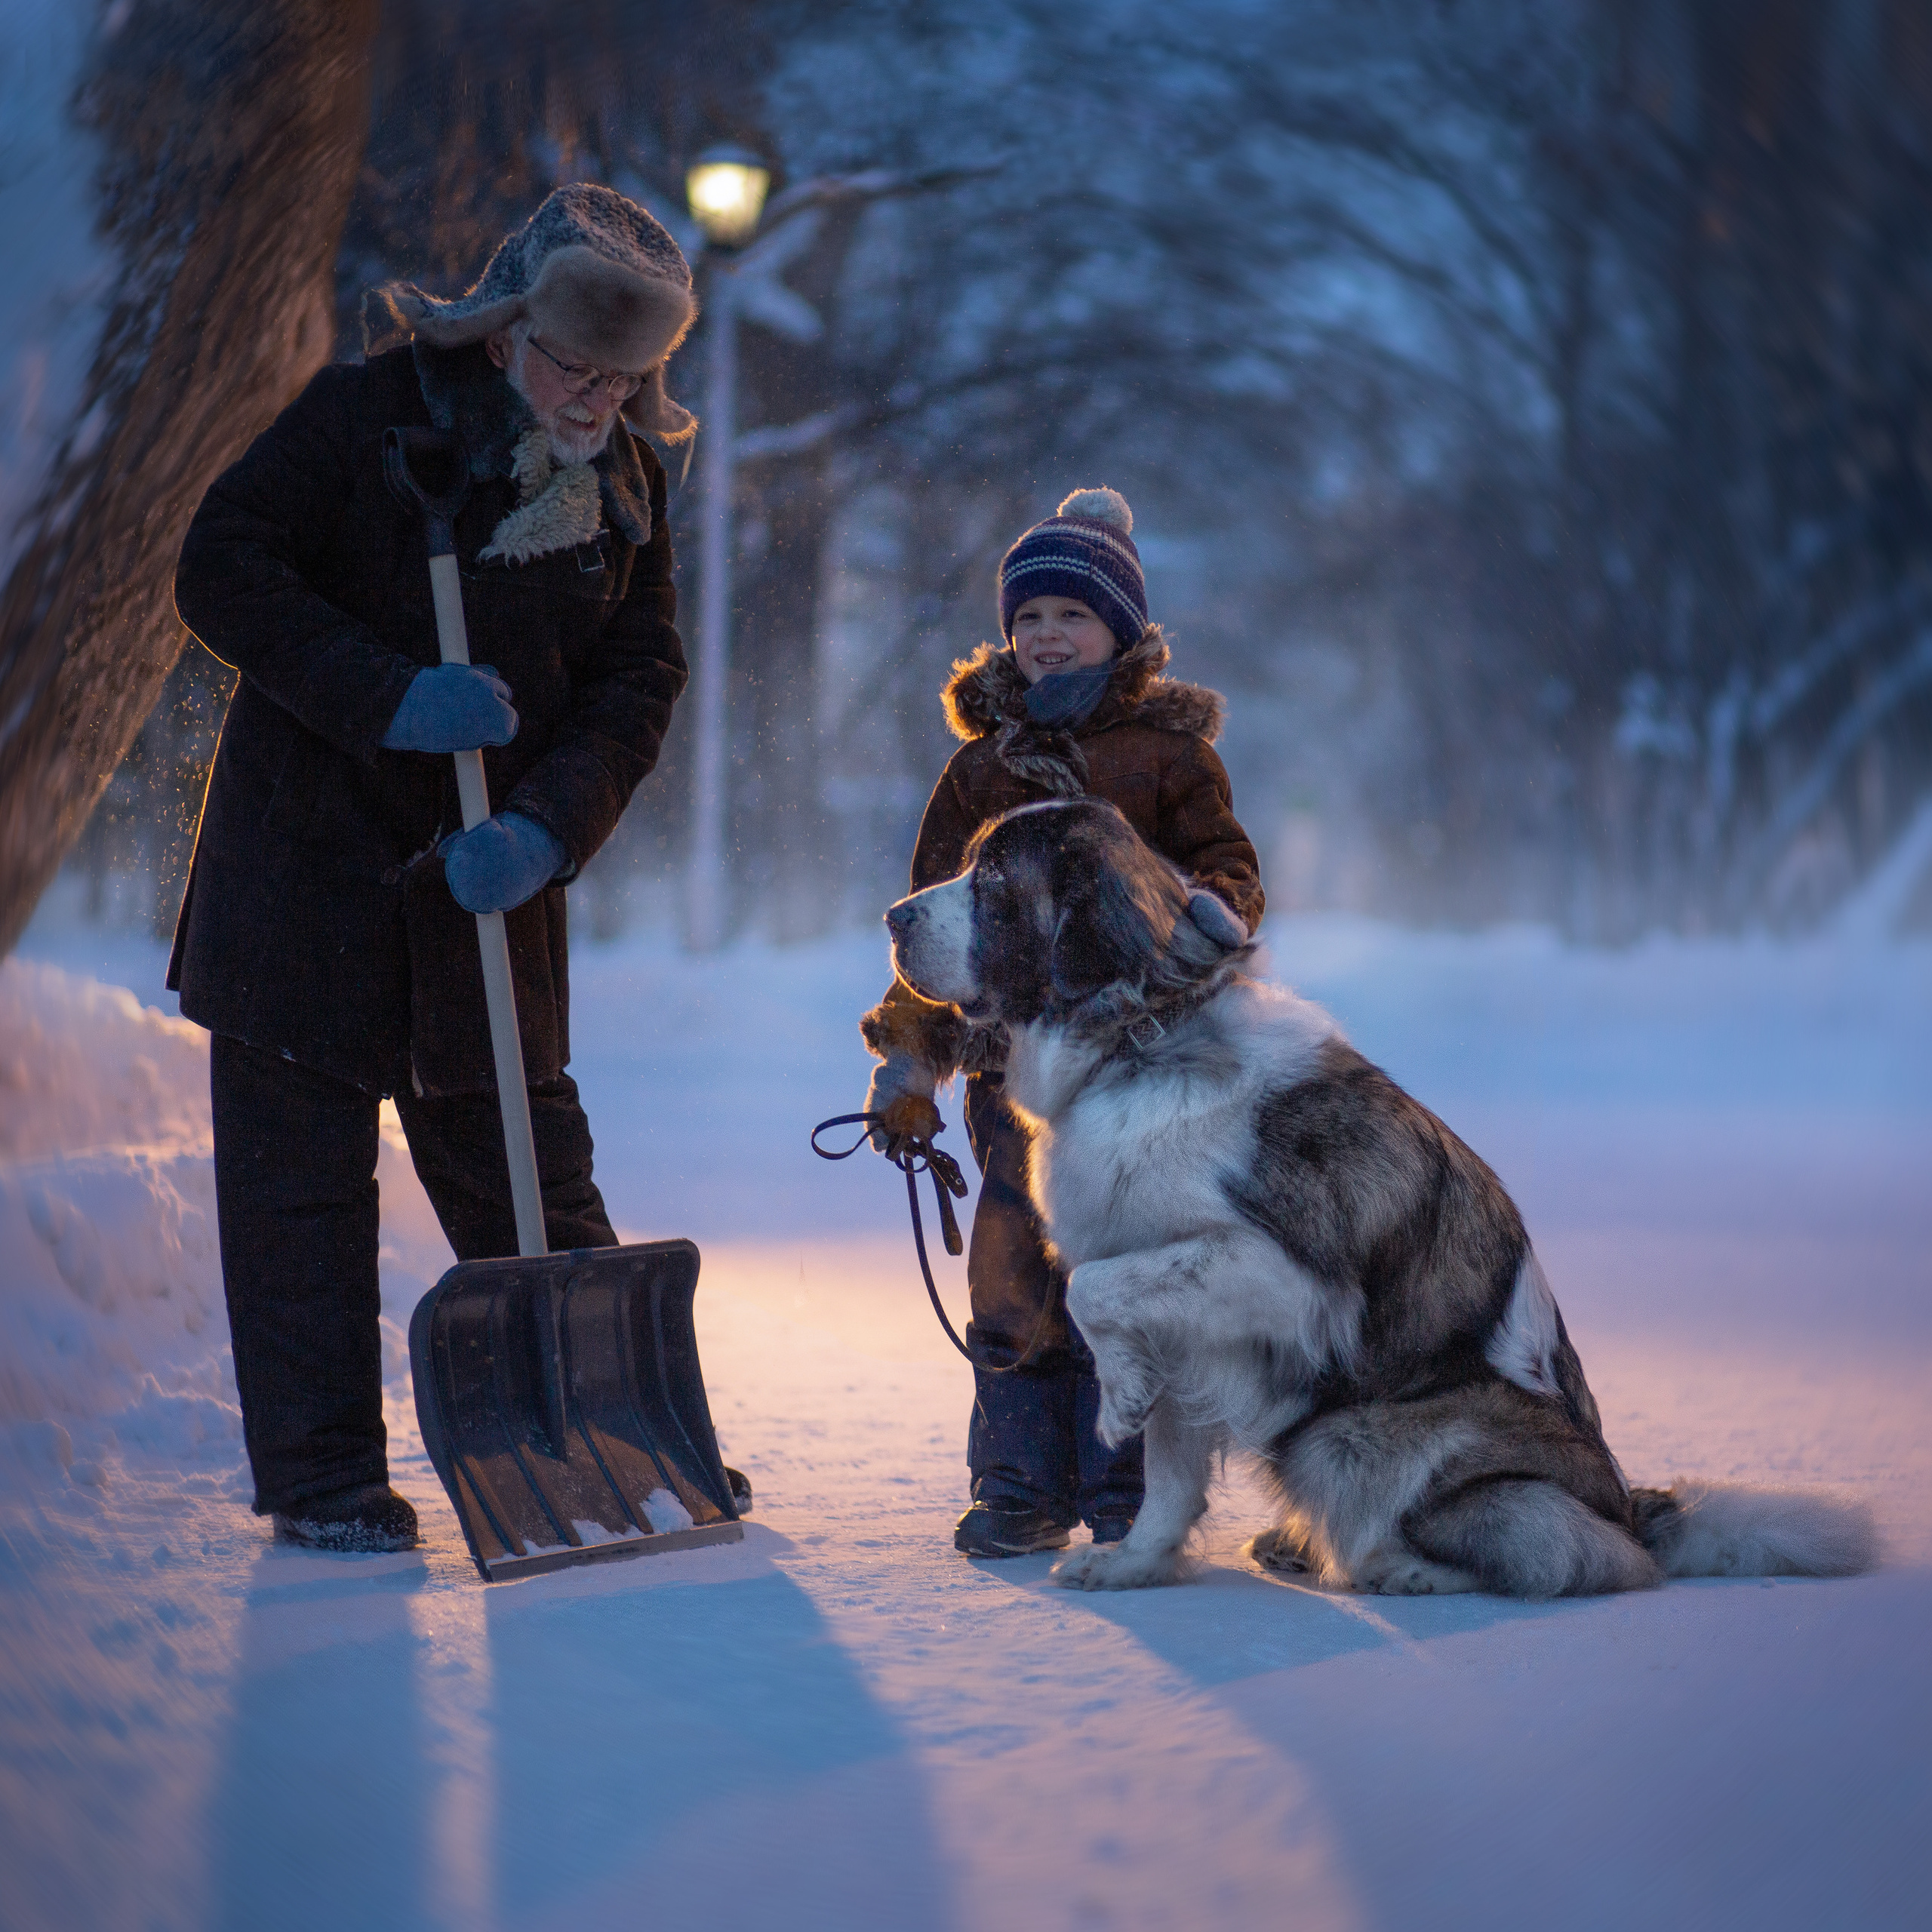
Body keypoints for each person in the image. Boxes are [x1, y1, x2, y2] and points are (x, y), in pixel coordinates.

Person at [168, 184, 701, 1551]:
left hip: (487, 884)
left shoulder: (629, 478)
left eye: (623, 378)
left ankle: (613, 1441)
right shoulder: (365, 419)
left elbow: (640, 681)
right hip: (306, 875)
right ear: (508, 323)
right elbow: (221, 566)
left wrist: (545, 830)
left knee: (527, 1161)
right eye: (573, 364)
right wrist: (387, 693)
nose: (593, 400)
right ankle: (326, 1479)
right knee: (299, 1202)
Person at [860, 488, 1266, 1557]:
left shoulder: (1169, 756)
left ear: (1121, 629)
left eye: (1071, 616)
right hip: (1012, 1070)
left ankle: (1131, 1488)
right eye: (1028, 616)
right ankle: (1021, 1483)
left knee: (1127, 1276)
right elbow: (935, 926)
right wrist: (910, 1059)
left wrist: (1214, 912)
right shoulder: (979, 768)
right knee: (1011, 1276)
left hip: (1141, 1072)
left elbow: (1227, 863)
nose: (1046, 635)